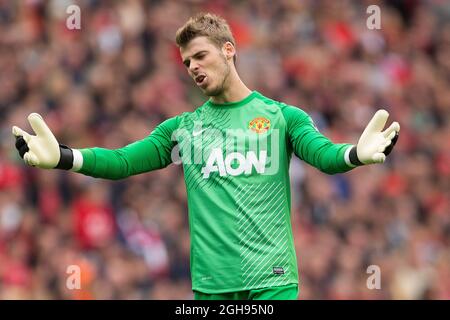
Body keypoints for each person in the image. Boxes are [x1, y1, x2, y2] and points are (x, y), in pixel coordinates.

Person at [12, 12, 400, 300]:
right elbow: (122, 162)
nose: (193, 67)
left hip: (272, 284)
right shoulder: (182, 129)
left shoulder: (282, 117)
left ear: (228, 50)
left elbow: (324, 156)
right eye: (186, 63)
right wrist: (65, 157)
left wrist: (354, 154)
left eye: (200, 56)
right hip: (211, 290)